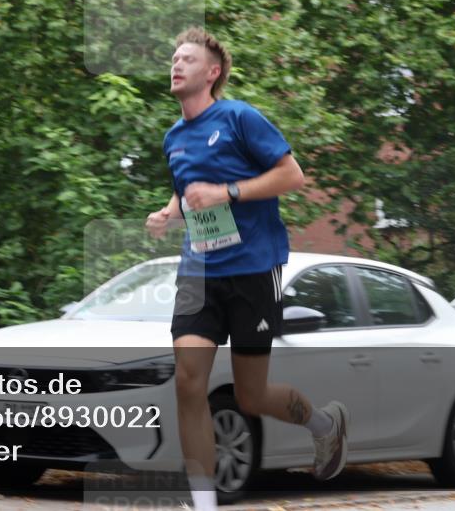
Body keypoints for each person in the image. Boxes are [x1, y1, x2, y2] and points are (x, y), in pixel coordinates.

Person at [145, 27, 349, 511]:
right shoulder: (173, 136)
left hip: (255, 268)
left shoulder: (238, 117)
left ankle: (324, 424)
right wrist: (170, 211)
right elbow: (186, 187)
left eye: (187, 59)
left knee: (250, 395)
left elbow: (292, 175)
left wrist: (227, 193)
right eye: (174, 58)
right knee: (188, 382)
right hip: (199, 271)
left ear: (212, 73)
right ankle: (203, 503)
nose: (176, 65)